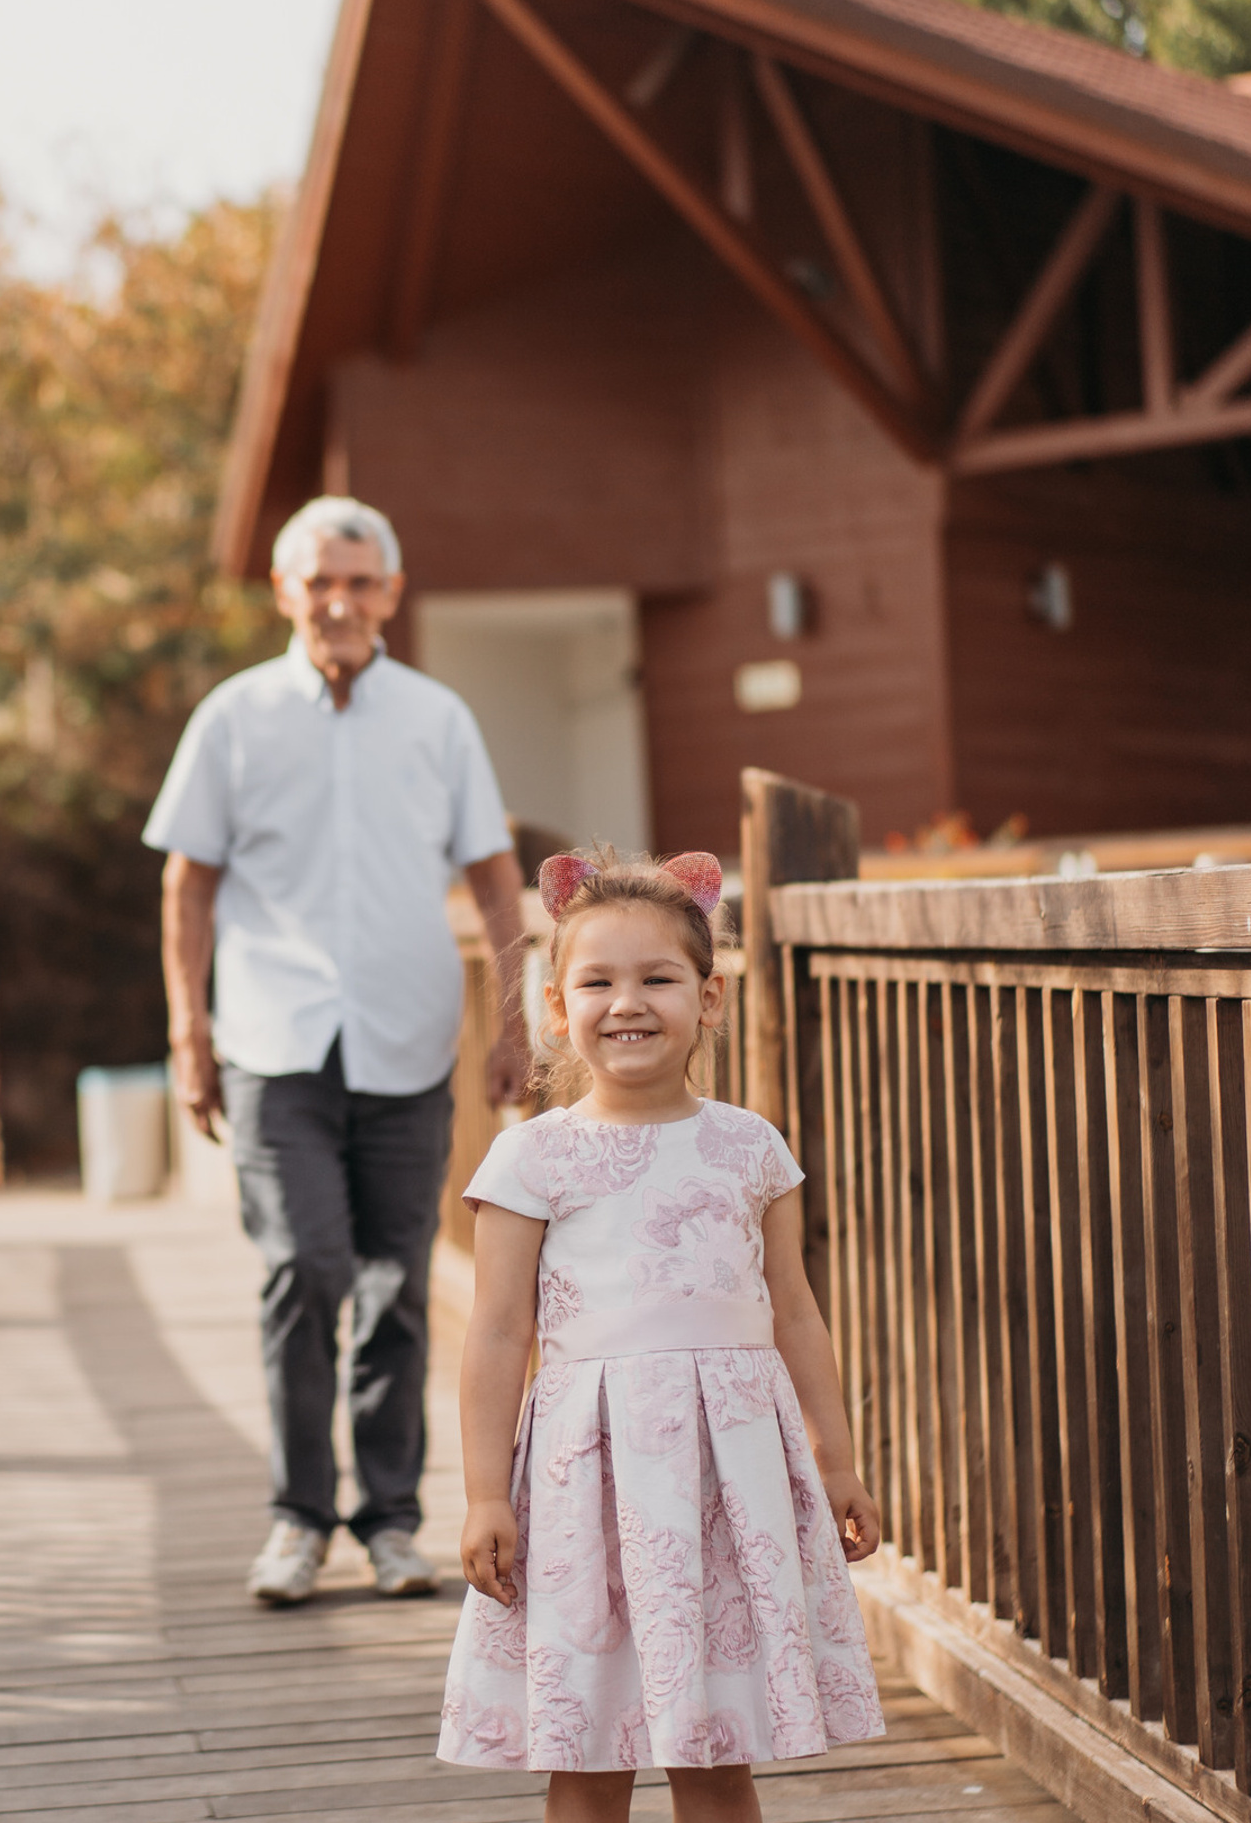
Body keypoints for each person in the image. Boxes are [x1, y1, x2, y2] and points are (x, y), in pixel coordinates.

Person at [438, 849, 883, 1823]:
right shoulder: (534, 1158)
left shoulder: (749, 1147)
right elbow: (499, 1333)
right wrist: (482, 1496)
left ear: (709, 1001)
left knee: (718, 1751)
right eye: (596, 981)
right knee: (589, 1754)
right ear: (558, 1009)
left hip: (727, 1482)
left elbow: (795, 1309)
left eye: (658, 979)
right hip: (585, 1489)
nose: (625, 1002)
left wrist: (836, 1460)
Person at [144, 494, 529, 1605]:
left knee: (398, 1284)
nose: (340, 601)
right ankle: (298, 1520)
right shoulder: (232, 717)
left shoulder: (438, 719)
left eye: (361, 582)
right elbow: (189, 881)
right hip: (272, 1044)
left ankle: (393, 1522)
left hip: (409, 1044)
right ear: (284, 592)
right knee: (304, 1272)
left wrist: (513, 1024)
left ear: (392, 595)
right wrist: (188, 1029)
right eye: (319, 581)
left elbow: (495, 877)